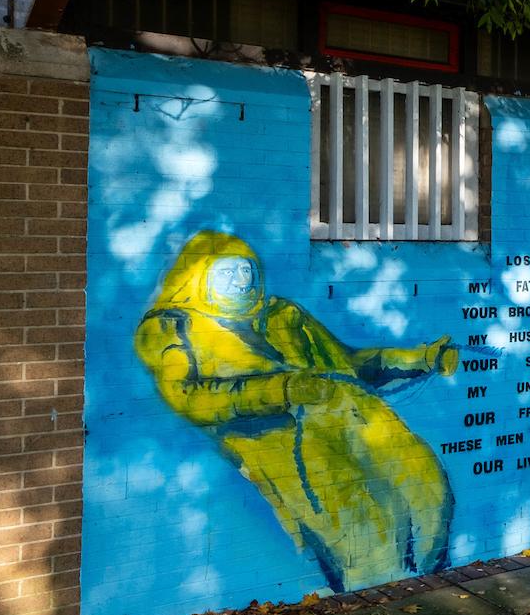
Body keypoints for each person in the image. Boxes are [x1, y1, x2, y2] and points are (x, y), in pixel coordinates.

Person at [134, 230, 458, 591]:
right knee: (366, 529)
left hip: (361, 423)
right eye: (226, 273)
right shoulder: (173, 327)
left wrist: (419, 358)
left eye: (246, 271)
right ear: (198, 279)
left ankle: (423, 587)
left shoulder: (282, 315)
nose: (241, 282)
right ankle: (384, 600)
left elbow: (346, 362)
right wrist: (284, 390)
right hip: (290, 447)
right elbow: (191, 397)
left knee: (429, 491)